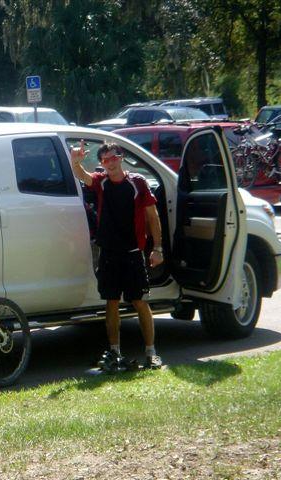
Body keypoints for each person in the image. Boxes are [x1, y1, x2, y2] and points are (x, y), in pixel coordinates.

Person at [70, 141, 164, 372]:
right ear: (102, 164)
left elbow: (153, 217)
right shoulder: (101, 182)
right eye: (105, 160)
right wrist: (75, 160)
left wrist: (157, 248)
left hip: (132, 252)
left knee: (139, 301)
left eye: (113, 158)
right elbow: (82, 175)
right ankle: (115, 351)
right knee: (111, 302)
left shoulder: (137, 183)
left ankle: (151, 353)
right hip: (109, 253)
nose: (110, 163)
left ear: (121, 158)